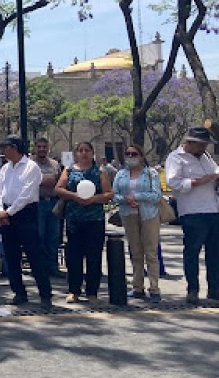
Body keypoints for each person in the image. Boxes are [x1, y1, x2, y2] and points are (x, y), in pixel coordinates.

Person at [0, 134, 52, 309]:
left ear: (14, 147)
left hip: (25, 213)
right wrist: (0, 210)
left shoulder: (31, 167)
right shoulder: (5, 168)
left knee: (34, 254)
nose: (3, 151)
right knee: (11, 255)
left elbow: (26, 195)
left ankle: (45, 293)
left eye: (5, 147)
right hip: (6, 211)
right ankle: (19, 291)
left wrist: (9, 213)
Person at [164, 126, 219, 305]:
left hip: (212, 208)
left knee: (214, 253)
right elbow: (173, 182)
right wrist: (199, 181)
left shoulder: (206, 157)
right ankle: (192, 289)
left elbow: (214, 173)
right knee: (192, 251)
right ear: (190, 143)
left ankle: (214, 289)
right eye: (201, 145)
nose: (204, 148)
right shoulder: (176, 158)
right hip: (192, 211)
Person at [55, 141, 113, 305]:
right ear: (76, 154)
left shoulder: (100, 172)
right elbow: (58, 189)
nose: (84, 153)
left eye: (87, 150)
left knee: (94, 256)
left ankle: (92, 292)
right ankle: (74, 290)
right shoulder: (69, 170)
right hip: (74, 219)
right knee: (74, 257)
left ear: (92, 153)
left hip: (95, 219)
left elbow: (109, 194)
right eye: (80, 150)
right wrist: (74, 196)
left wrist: (94, 199)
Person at [112, 144, 162, 303]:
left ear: (141, 156)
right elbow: (115, 195)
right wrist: (127, 200)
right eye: (128, 154)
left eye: (134, 154)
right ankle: (137, 286)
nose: (131, 156)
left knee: (151, 252)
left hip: (149, 214)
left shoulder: (151, 173)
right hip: (128, 215)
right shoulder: (121, 174)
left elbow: (156, 195)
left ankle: (154, 288)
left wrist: (137, 197)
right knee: (136, 252)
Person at [31, 137, 63, 278]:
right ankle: (39, 268)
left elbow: (61, 181)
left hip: (53, 204)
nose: (42, 149)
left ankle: (53, 267)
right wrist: (42, 181)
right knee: (39, 236)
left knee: (53, 237)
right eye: (39, 147)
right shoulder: (30, 164)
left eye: (44, 146)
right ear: (35, 148)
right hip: (37, 204)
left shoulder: (55, 164)